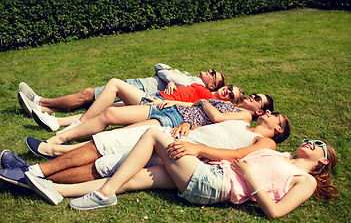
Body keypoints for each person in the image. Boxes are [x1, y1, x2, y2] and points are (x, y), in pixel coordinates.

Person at [26, 135, 338, 219]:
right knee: (133, 177)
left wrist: (248, 175)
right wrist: (205, 152)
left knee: (153, 135)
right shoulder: (283, 157)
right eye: (312, 139)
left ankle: (104, 195)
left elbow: (275, 212)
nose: (312, 142)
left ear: (323, 161)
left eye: (319, 145)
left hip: (214, 183)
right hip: (209, 175)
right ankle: (53, 189)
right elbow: (236, 156)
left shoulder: (306, 181)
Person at [0, 110, 289, 187]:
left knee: (104, 165)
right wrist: (189, 127)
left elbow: (237, 156)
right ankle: (33, 171)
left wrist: (196, 146)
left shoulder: (266, 142)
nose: (273, 114)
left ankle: (32, 178)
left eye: (278, 117)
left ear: (278, 129)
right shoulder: (244, 123)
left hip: (173, 151)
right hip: (171, 134)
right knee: (101, 142)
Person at [25, 93, 273, 159]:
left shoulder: (245, 118)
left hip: (176, 121)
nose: (252, 97)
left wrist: (201, 103)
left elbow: (214, 118)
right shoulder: (233, 108)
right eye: (253, 95)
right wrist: (169, 101)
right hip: (174, 110)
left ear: (260, 111)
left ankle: (58, 148)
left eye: (258, 100)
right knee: (111, 112)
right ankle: (60, 137)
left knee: (120, 136)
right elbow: (199, 108)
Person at [29, 77, 243, 133]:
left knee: (114, 85)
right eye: (230, 87)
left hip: (157, 104)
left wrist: (165, 100)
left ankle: (78, 124)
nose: (228, 91)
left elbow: (190, 106)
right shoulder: (201, 87)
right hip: (156, 96)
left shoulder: (211, 102)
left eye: (231, 95)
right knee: (106, 108)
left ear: (229, 103)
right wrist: (171, 82)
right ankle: (56, 121)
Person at [18, 63, 226, 116]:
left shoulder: (194, 86)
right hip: (140, 85)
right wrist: (170, 77)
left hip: (141, 89)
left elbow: (167, 74)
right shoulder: (188, 77)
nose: (209, 70)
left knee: (89, 94)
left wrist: (171, 77)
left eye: (213, 73)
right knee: (92, 102)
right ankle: (43, 111)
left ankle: (40, 101)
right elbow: (160, 68)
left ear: (211, 86)